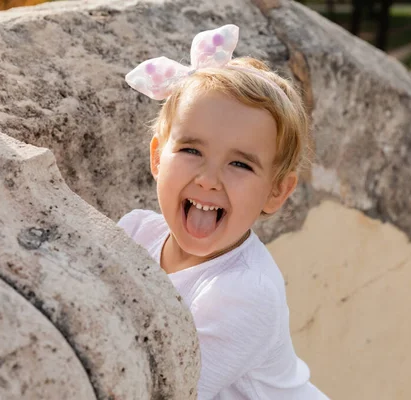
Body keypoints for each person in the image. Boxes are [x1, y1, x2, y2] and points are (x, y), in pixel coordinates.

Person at [119, 24, 329, 400]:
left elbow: (160, 391)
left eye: (241, 165)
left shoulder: (245, 292)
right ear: (156, 157)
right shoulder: (134, 234)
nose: (209, 179)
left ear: (276, 191)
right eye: (191, 151)